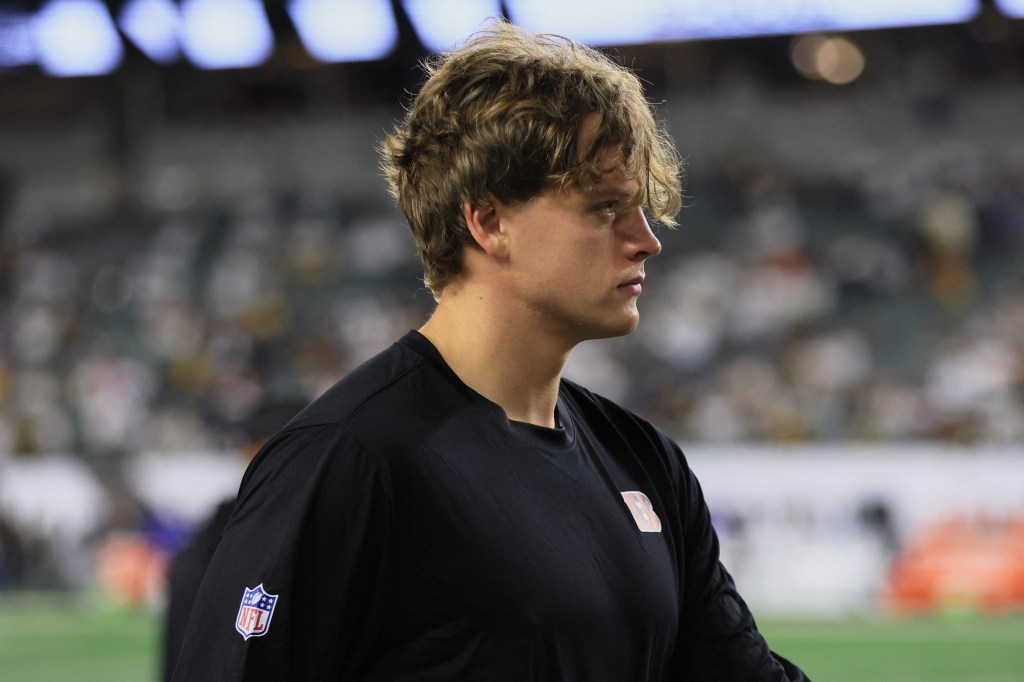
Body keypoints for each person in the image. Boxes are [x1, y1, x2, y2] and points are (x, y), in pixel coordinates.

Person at [171, 21, 810, 681]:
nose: (647, 240)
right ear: (489, 221)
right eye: (605, 208)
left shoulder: (645, 463)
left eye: (643, 210)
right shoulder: (350, 458)